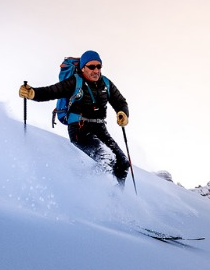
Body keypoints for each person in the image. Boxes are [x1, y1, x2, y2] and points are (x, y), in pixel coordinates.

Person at [19, 50, 132, 182]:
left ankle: (116, 198)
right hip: (80, 129)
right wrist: (33, 93)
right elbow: (51, 91)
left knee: (123, 163)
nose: (96, 70)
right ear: (83, 68)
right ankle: (81, 184)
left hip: (100, 128)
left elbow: (120, 101)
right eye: (91, 67)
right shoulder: (75, 82)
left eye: (98, 66)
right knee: (106, 158)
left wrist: (122, 112)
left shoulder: (106, 83)